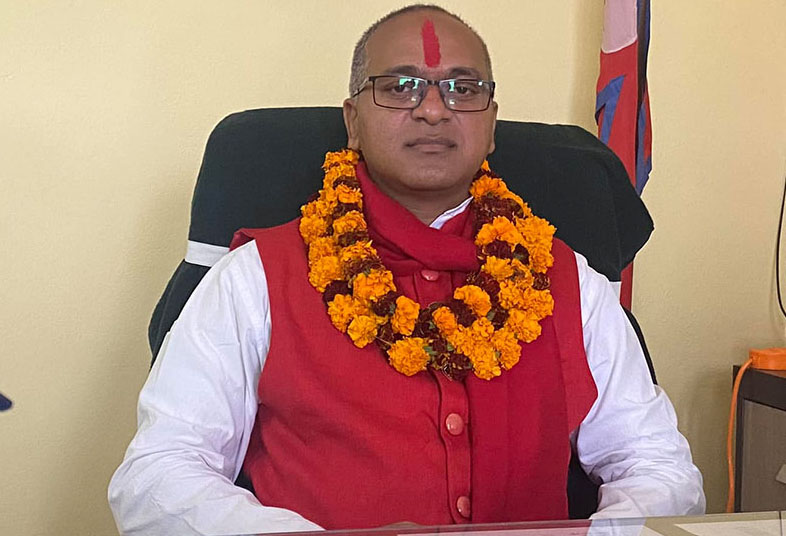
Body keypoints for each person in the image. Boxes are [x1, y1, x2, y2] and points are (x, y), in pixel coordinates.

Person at [108, 5, 705, 535]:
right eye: (400, 87)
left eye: (463, 88)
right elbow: (159, 474)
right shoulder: (256, 277)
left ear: (491, 125)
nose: (434, 110)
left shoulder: (568, 280)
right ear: (352, 120)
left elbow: (657, 466)